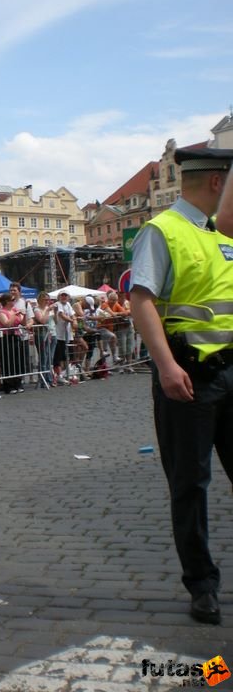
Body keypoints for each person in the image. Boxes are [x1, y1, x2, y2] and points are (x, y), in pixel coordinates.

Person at [130, 145, 233, 626]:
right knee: (190, 485)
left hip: (230, 375)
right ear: (217, 182)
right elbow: (142, 301)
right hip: (187, 377)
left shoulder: (218, 235)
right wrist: (167, 367)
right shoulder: (162, 229)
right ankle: (202, 585)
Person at [0, 292, 26, 394]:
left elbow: (23, 323)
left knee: (17, 361)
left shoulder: (14, 310)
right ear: (7, 302)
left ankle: (18, 382)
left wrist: (24, 314)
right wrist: (14, 315)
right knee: (8, 361)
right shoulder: (1, 312)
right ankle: (8, 385)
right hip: (6, 338)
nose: (14, 302)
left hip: (16, 336)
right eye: (12, 300)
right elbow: (7, 324)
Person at [54, 291, 76, 384]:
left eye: (65, 295)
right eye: (62, 295)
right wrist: (72, 321)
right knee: (59, 356)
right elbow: (61, 315)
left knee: (68, 355)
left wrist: (74, 319)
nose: (63, 297)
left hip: (67, 334)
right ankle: (59, 375)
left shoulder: (68, 304)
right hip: (59, 334)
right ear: (59, 296)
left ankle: (66, 373)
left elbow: (72, 314)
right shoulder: (57, 304)